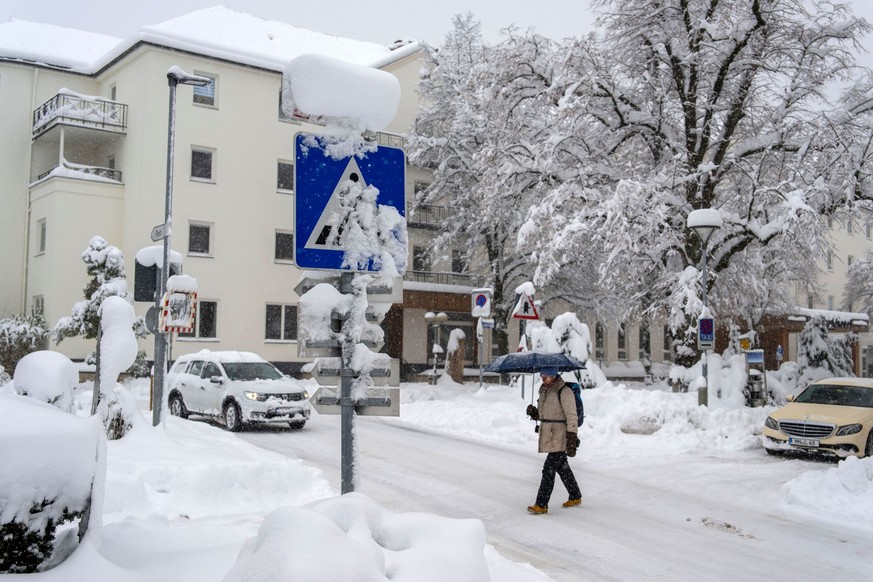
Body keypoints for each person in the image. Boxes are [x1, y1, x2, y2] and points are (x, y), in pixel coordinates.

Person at [525, 366, 581, 514]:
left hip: (561, 435)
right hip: (550, 434)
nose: (543, 378)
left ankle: (541, 504)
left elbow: (572, 415)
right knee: (562, 467)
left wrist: (572, 437)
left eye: (547, 376)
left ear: (554, 375)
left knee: (548, 469)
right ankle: (575, 495)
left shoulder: (564, 391)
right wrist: (535, 413)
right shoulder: (544, 390)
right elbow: (547, 414)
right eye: (542, 376)